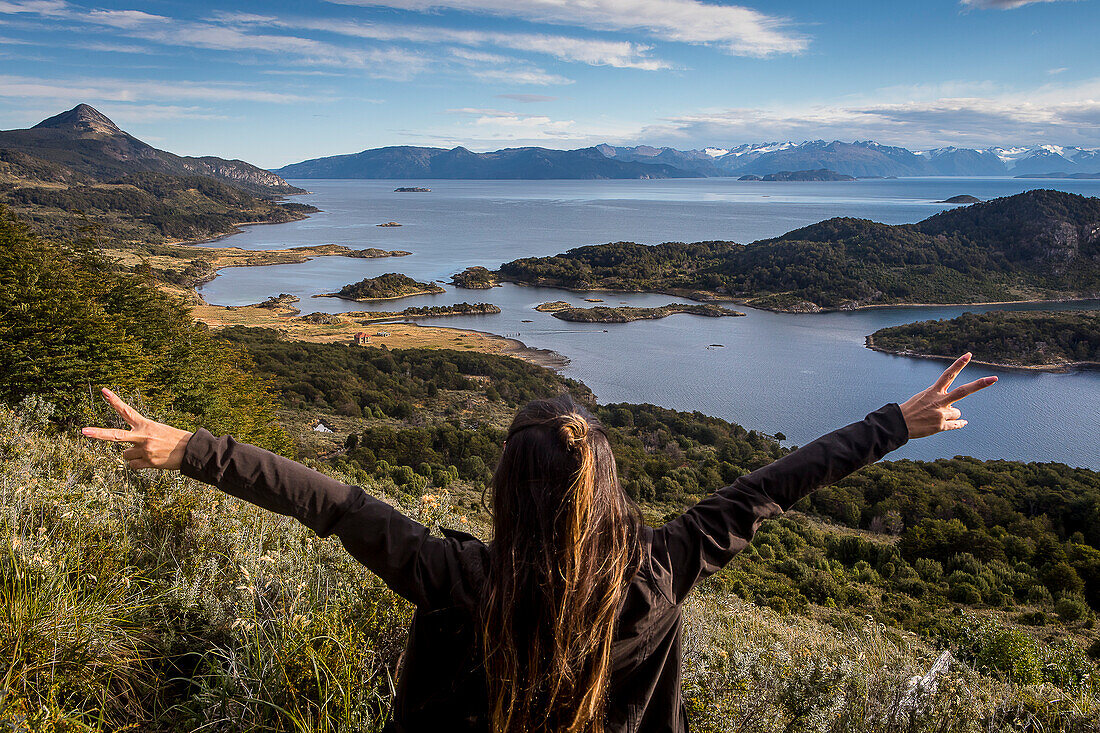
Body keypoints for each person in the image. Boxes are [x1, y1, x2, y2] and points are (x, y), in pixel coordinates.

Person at [83, 353, 996, 733]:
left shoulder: (457, 580)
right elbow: (775, 486)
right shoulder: (660, 574)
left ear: (506, 493)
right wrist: (893, 423)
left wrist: (192, 448)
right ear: (606, 484)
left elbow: (334, 503)